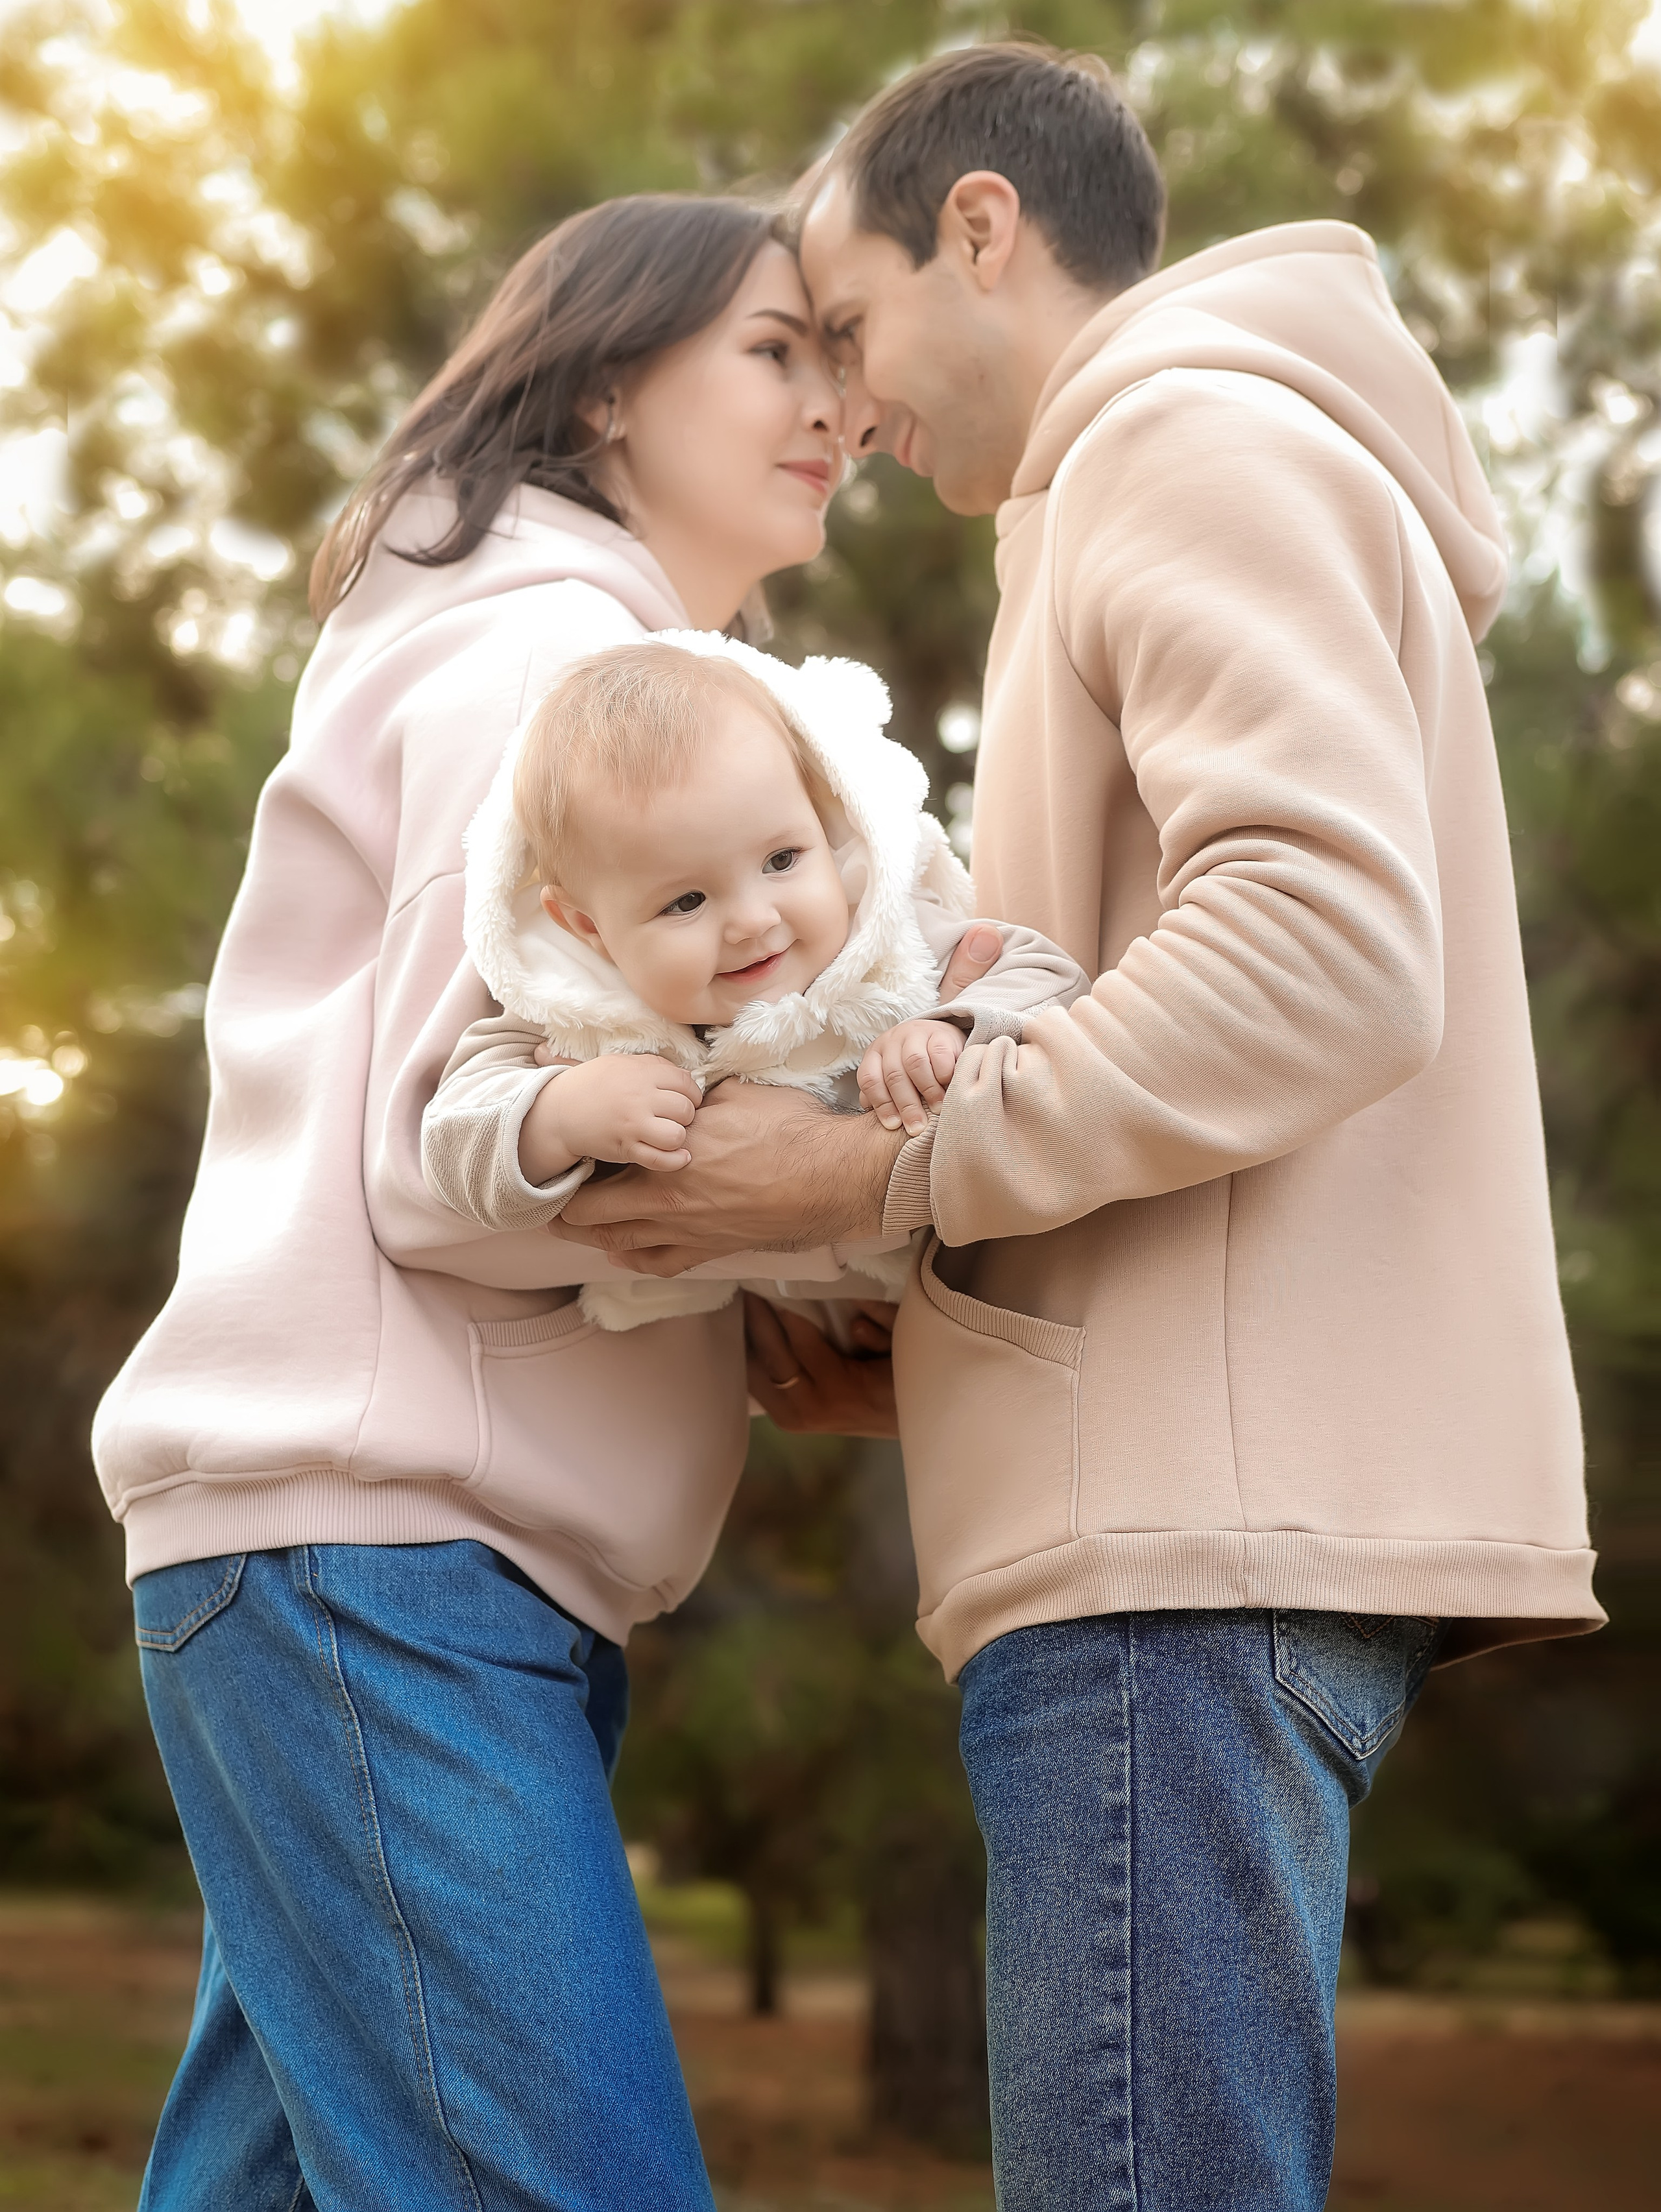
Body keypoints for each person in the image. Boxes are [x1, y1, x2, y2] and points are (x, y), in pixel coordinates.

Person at [550, 45, 1606, 2212]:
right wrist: (920, 1302)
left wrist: (869, 1173)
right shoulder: (1175, 474)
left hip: (1181, 1566)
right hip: (1184, 1520)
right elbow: (1178, 1046)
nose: (839, 413)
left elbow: (1319, 955)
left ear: (984, 231)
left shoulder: (1185, 445)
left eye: (847, 334)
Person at [91, 191, 989, 2211]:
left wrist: (771, 1309)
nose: (833, 400)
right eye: (774, 350)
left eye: (837, 357)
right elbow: (453, 1173)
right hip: (387, 1556)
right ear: (604, 385)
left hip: (377, 1560)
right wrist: (856, 1200)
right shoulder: (563, 665)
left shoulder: (525, 647)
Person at [420, 631, 1086, 1330]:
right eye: (685, 902)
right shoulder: (576, 1008)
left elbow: (1053, 979)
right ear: (588, 927)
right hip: (777, 1337)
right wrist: (554, 1114)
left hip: (968, 1302)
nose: (750, 920)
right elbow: (450, 1147)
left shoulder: (892, 941)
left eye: (781, 859)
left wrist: (949, 1026)